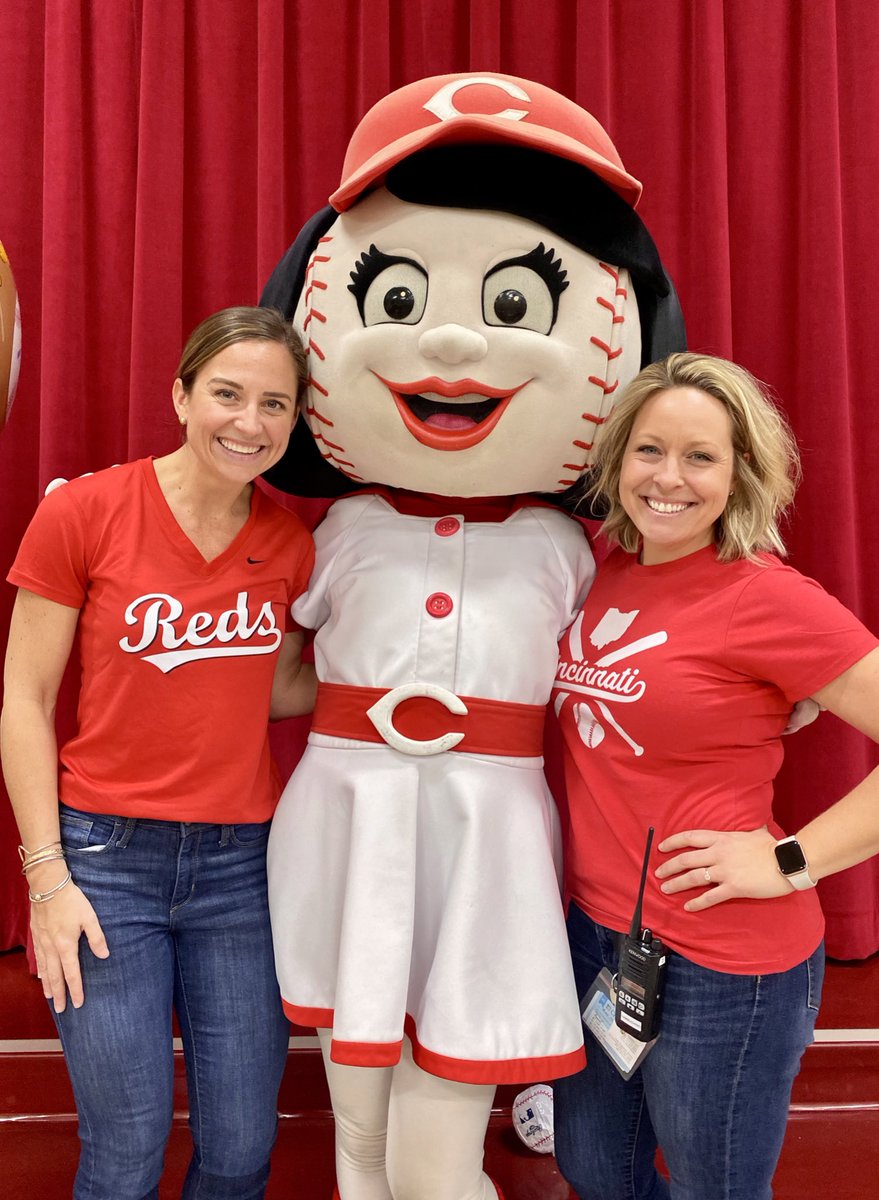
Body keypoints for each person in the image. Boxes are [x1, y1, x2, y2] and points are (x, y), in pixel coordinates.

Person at [258, 72, 686, 1200]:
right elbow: (275, 668)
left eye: (510, 305)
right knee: (357, 1135)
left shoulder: (569, 548)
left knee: (436, 1156)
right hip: (345, 822)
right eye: (400, 298)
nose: (450, 339)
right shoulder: (339, 528)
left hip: (488, 835)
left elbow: (645, 661)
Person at [0, 306, 316, 1200]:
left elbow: (276, 690)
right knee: (126, 1148)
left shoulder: (290, 544)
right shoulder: (84, 512)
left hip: (240, 871)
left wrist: (406, 678)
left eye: (274, 404)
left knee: (242, 1146)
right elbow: (24, 702)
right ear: (181, 396)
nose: (249, 422)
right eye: (227, 394)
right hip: (105, 863)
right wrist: (47, 879)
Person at [551, 351, 879, 1200]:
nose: (668, 478)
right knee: (594, 1170)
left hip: (724, 960)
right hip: (596, 936)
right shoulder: (602, 570)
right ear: (616, 459)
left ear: (739, 475)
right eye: (648, 450)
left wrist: (789, 861)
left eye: (699, 456)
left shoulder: (764, 595)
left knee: (715, 1189)